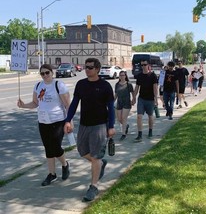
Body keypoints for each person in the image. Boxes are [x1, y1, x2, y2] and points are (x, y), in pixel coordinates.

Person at [63, 58, 115, 202]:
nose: (87, 70)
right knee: (82, 150)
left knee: (95, 156)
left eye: (90, 67)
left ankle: (93, 186)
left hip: (99, 126)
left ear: (97, 69)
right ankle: (100, 163)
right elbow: (74, 104)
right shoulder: (81, 84)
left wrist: (111, 126)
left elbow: (111, 108)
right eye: (86, 67)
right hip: (84, 124)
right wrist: (68, 120)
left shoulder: (105, 86)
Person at [17, 64, 71, 186]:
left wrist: (69, 121)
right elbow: (35, 103)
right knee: (48, 148)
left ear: (52, 72)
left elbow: (68, 105)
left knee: (56, 148)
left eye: (47, 72)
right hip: (43, 121)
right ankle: (52, 174)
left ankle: (65, 164)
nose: (45, 75)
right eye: (42, 73)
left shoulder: (59, 85)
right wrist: (23, 105)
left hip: (58, 121)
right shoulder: (38, 86)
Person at [132, 59, 158, 142]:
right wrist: (134, 97)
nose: (143, 66)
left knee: (150, 116)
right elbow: (136, 88)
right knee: (139, 116)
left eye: (144, 65)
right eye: (141, 65)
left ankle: (150, 131)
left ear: (148, 65)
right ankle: (140, 134)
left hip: (150, 99)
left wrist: (156, 98)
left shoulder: (153, 75)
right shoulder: (139, 76)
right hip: (141, 99)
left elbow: (155, 88)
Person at [114, 70, 135, 141]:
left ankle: (123, 134)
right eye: (120, 75)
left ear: (125, 76)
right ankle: (126, 126)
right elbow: (116, 95)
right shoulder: (117, 84)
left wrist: (133, 100)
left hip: (127, 103)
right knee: (119, 119)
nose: (122, 76)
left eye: (123, 75)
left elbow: (133, 93)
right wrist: (111, 102)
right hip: (119, 102)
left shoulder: (128, 84)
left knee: (123, 118)